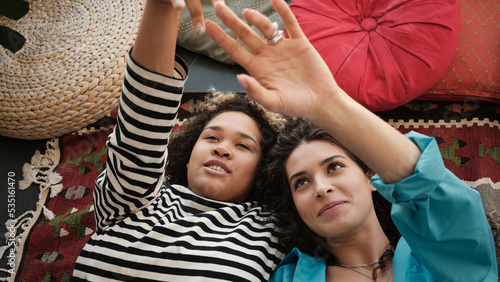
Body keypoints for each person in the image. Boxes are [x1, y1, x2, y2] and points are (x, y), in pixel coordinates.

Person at [202, 0, 499, 281]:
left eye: (334, 167)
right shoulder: (289, 277)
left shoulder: (440, 250)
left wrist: (329, 104)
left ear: (371, 176)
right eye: (301, 183)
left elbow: (436, 198)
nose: (322, 188)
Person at [73, 0, 287, 280]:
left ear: (262, 174)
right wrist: (162, 5)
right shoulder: (134, 200)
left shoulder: (276, 228)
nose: (221, 148)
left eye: (243, 145)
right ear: (188, 157)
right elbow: (142, 119)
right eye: (212, 137)